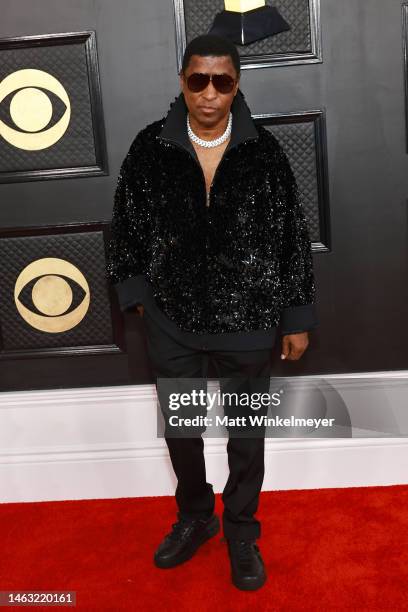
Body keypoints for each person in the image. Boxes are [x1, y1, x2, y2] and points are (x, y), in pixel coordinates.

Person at [106, 33, 318, 591]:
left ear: (236, 85)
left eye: (221, 81)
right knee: (182, 429)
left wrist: (295, 315)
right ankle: (196, 517)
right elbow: (124, 226)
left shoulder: (264, 151)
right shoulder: (150, 147)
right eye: (198, 80)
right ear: (182, 82)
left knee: (247, 433)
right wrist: (137, 297)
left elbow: (291, 235)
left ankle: (242, 531)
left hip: (250, 317)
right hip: (172, 317)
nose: (208, 93)